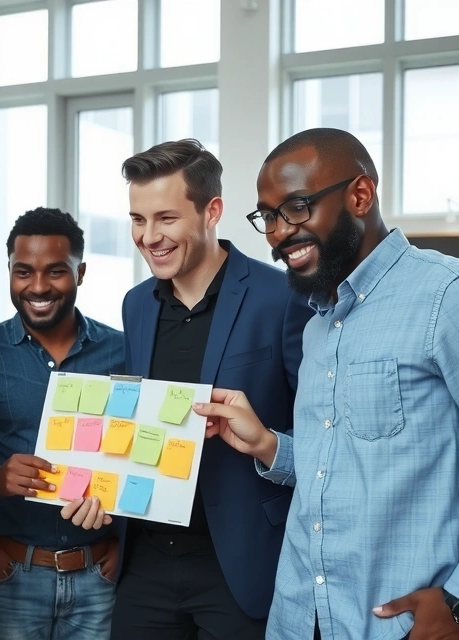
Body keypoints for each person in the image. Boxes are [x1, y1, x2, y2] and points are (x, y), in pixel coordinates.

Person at [195, 127, 459, 640]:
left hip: (412, 625)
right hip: (304, 617)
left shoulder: (453, 294)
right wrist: (270, 447)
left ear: (360, 195)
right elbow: (347, 468)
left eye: (296, 208)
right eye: (268, 217)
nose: (277, 233)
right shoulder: (318, 325)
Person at [110, 139, 312, 639]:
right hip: (147, 560)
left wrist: (266, 440)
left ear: (212, 211)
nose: (149, 236)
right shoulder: (136, 305)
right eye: (138, 219)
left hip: (242, 561)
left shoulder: (283, 297)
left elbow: (325, 438)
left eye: (166, 218)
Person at [0, 207, 125, 640]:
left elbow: (142, 459)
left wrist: (125, 548)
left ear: (80, 273)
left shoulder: (125, 353)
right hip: (11, 573)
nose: (38, 286)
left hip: (99, 576)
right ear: (9, 272)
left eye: (56, 272)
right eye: (23, 271)